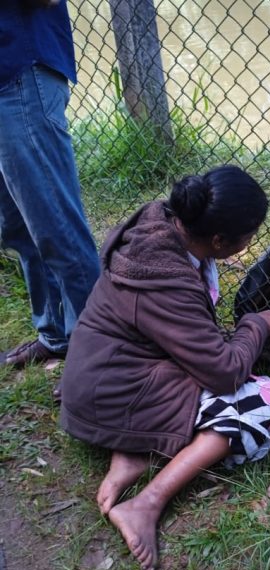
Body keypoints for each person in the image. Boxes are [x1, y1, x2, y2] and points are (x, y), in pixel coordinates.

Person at [60, 165, 270, 570]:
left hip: (102, 379)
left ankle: (133, 452)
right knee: (264, 399)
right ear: (218, 241)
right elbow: (225, 372)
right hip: (112, 395)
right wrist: (255, 326)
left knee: (208, 372)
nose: (251, 243)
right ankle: (146, 503)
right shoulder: (168, 281)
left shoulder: (160, 227)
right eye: (248, 236)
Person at [0, 0, 100, 368]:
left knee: (56, 226)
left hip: (19, 72)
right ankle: (56, 335)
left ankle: (99, 355)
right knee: (18, 227)